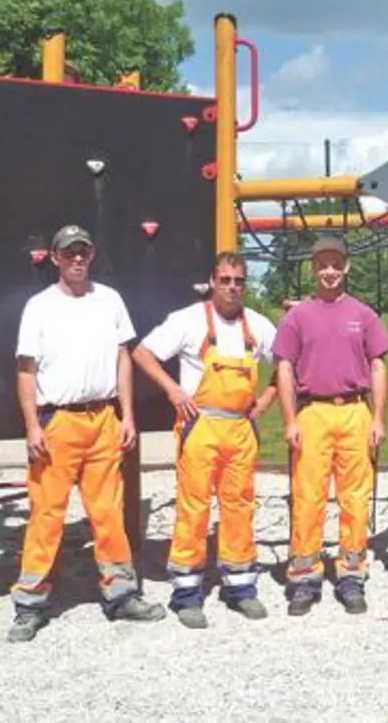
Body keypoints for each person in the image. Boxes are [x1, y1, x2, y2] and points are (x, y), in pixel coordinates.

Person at [9, 224, 166, 642]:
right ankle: (30, 602)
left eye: (84, 251)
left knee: (108, 512)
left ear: (91, 255)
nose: (77, 258)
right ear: (56, 258)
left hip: (104, 421)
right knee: (47, 514)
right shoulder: (39, 307)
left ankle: (120, 595)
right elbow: (26, 371)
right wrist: (30, 426)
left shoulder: (109, 300)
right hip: (57, 421)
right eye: (69, 252)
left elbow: (123, 360)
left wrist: (127, 414)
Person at [132, 251, 278, 628]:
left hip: (241, 429)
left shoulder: (258, 325)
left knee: (240, 505)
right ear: (212, 282)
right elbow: (142, 353)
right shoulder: (188, 320)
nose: (232, 287)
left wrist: (263, 403)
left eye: (239, 281)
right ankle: (186, 594)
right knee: (193, 508)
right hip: (200, 425)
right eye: (225, 280)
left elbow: (286, 365)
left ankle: (241, 587)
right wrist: (172, 391)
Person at [273, 235, 388, 616]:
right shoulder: (298, 316)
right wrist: (289, 419)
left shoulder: (364, 314)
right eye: (322, 264)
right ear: (313, 268)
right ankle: (305, 575)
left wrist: (378, 417)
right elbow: (284, 367)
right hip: (313, 412)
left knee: (355, 496)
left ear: (347, 267)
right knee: (308, 496)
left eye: (335, 264)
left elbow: (378, 365)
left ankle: (352, 574)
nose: (329, 271)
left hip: (354, 410)